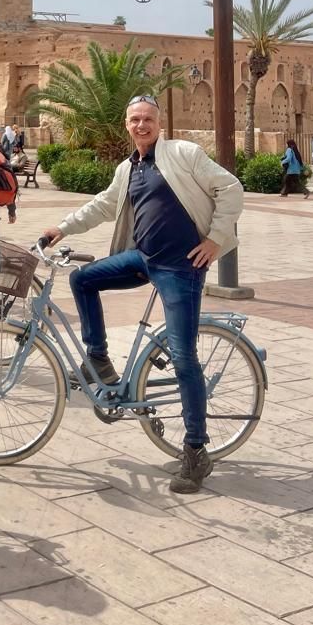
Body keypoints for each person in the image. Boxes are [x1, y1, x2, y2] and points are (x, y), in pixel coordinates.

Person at [41, 94, 244, 494]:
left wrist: (216, 240)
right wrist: (61, 228)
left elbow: (231, 188)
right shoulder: (128, 168)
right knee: (82, 279)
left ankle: (195, 450)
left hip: (180, 269)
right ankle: (98, 359)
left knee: (185, 357)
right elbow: (103, 205)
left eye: (147, 119)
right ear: (127, 124)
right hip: (142, 258)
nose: (141, 125)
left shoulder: (183, 154)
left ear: (159, 122)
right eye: (134, 119)